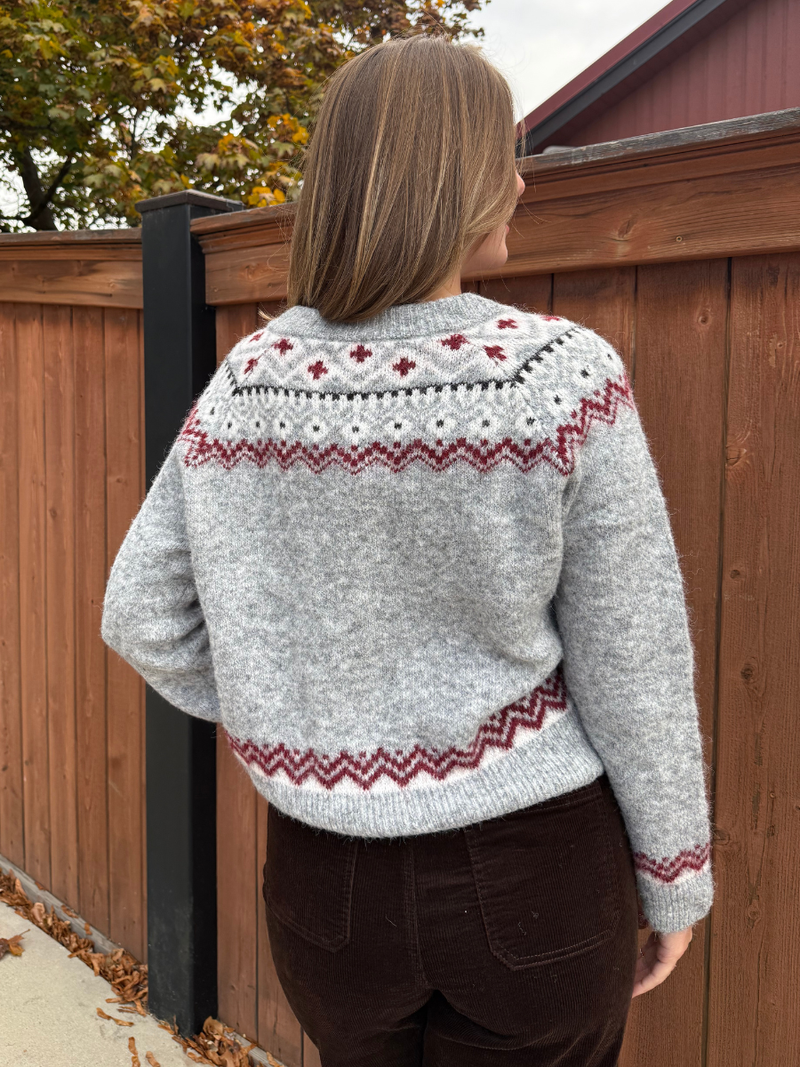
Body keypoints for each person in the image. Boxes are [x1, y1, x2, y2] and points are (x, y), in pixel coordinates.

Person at [100, 29, 714, 1067]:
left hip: (322, 883)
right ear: (454, 181)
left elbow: (140, 613)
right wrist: (672, 875)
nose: (518, 184)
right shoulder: (558, 375)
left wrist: (293, 710)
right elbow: (631, 657)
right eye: (500, 159)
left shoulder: (252, 378)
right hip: (534, 872)